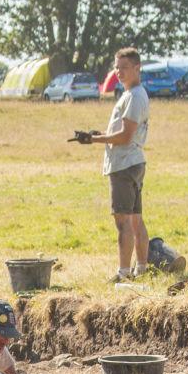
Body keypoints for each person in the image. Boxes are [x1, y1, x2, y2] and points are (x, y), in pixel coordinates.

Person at [70, 47, 148, 282]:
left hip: (123, 164)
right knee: (136, 218)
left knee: (123, 220)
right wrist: (101, 134)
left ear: (137, 68)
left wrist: (93, 139)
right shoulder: (131, 94)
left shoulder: (134, 96)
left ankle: (124, 273)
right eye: (117, 67)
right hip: (132, 161)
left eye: (124, 67)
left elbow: (125, 136)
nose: (119, 72)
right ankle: (141, 268)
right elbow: (122, 132)